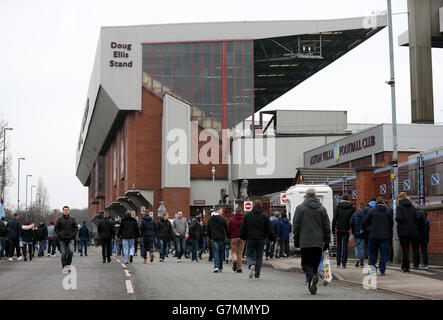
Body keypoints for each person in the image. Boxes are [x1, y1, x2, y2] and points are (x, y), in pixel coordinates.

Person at [293, 188, 330, 295]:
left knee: (305, 264)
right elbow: (326, 226)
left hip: (305, 241)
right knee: (314, 264)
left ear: (306, 196)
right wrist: (327, 241)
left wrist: (296, 239)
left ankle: (313, 277)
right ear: (316, 196)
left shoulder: (300, 208)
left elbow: (296, 225)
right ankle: (311, 284)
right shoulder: (322, 209)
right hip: (318, 242)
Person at [240, 199, 273, 280]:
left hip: (250, 238)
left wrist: (243, 237)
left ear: (253, 205)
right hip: (261, 239)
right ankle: (257, 275)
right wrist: (271, 239)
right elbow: (269, 229)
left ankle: (251, 265)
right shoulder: (264, 216)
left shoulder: (247, 215)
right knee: (259, 257)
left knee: (248, 255)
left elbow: (243, 227)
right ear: (261, 205)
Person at [363, 197, 393, 276]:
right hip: (385, 236)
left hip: (373, 235)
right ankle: (382, 270)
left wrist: (370, 228)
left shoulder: (371, 211)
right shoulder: (387, 211)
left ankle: (372, 269)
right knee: (383, 253)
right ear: (383, 202)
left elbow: (365, 221)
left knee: (372, 252)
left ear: (376, 202)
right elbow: (391, 223)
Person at [395, 192, 424, 272]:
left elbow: (399, 218)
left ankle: (406, 266)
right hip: (413, 230)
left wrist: (396, 219)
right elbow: (417, 217)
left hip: (403, 231)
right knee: (415, 248)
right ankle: (416, 264)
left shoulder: (399, 207)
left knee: (405, 249)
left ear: (399, 198)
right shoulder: (412, 206)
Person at [332, 195, 354, 268]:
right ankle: (344, 263)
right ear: (348, 199)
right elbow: (352, 219)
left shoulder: (338, 207)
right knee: (345, 246)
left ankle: (338, 263)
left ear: (342, 199)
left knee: (339, 246)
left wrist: (333, 229)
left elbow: (335, 218)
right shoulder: (351, 207)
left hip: (339, 228)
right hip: (346, 229)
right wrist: (352, 229)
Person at [54, 206, 78, 273]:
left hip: (71, 238)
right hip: (62, 239)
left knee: (71, 252)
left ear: (69, 211)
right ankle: (65, 267)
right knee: (63, 253)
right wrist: (59, 235)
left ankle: (68, 265)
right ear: (63, 211)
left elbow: (76, 228)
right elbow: (55, 228)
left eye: (67, 210)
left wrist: (73, 234)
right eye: (65, 210)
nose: (66, 211)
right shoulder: (59, 219)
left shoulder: (72, 219)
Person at [207, 206, 228, 273]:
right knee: (221, 252)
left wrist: (210, 236)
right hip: (221, 238)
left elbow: (208, 229)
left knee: (215, 252)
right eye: (221, 210)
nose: (222, 212)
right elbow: (226, 228)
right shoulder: (222, 219)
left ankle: (216, 266)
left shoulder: (210, 219)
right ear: (218, 211)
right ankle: (220, 267)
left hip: (213, 238)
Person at [227, 207, 245, 273]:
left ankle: (234, 260)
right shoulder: (244, 219)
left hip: (233, 237)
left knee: (234, 252)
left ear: (235, 212)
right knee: (240, 253)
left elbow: (228, 229)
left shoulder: (231, 219)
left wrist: (229, 237)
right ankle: (239, 268)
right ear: (241, 212)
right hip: (242, 238)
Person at [350, 202, 366, 267]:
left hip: (356, 232)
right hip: (362, 233)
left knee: (356, 246)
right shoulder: (365, 214)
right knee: (362, 248)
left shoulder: (354, 214)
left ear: (359, 207)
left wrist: (353, 230)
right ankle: (362, 263)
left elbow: (351, 223)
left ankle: (357, 258)